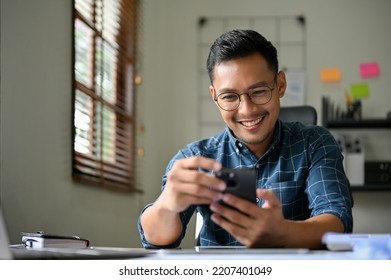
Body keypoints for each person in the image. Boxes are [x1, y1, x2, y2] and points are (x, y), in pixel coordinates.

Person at [138, 29, 353, 249]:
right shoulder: (195, 158)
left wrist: (282, 233)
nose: (247, 110)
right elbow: (156, 240)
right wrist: (166, 206)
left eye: (259, 91)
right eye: (230, 96)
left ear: (280, 85)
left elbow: (337, 221)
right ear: (215, 96)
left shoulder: (315, 143)